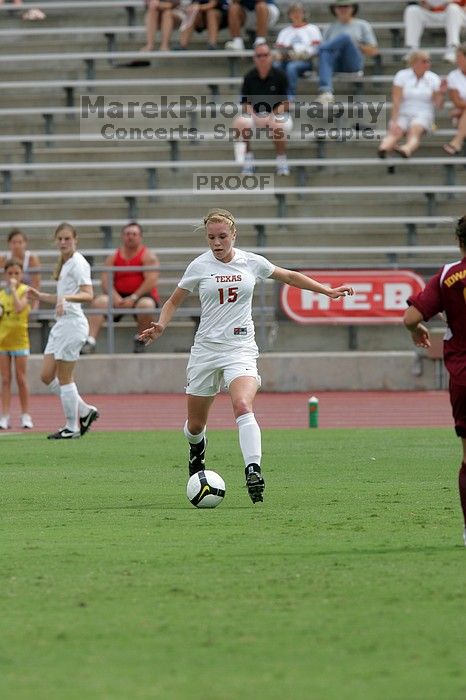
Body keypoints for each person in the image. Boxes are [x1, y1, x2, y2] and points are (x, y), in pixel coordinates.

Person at [138, 208, 354, 504]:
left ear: (234, 234)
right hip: (205, 351)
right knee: (195, 426)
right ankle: (196, 448)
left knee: (242, 403)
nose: (216, 243)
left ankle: (253, 470)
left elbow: (289, 276)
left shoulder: (251, 262)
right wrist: (161, 324)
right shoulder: (199, 266)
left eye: (222, 236)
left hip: (240, 349)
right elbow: (174, 300)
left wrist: (326, 291)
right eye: (211, 237)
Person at [403, 215, 466, 546]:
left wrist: (417, 329)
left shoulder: (447, 276)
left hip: (462, 374)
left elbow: (410, 316)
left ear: (459, 241)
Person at [27, 223, 99, 440]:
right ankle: (85, 410)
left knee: (64, 377)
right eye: (60, 239)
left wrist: (65, 299)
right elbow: (61, 297)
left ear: (75, 239)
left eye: (67, 238)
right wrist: (39, 296)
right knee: (46, 375)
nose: (63, 242)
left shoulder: (78, 263)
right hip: (62, 324)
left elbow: (89, 294)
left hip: (73, 325)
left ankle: (72, 426)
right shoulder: (66, 263)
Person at [81, 222, 160, 354]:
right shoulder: (113, 257)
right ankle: (90, 341)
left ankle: (140, 340)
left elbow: (151, 280)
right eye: (127, 234)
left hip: (141, 295)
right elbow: (105, 280)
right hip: (118, 295)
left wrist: (133, 297)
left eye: (134, 234)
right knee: (100, 302)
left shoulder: (148, 256)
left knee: (146, 305)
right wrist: (115, 297)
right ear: (122, 236)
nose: (130, 237)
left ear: (140, 237)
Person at [231, 43, 292, 176]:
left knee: (276, 124)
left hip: (278, 114)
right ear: (254, 58)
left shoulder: (280, 75)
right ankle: (248, 160)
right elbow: (245, 103)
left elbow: (287, 103)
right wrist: (255, 116)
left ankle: (281, 159)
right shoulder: (249, 77)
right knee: (240, 123)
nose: (262, 58)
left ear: (270, 56)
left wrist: (270, 116)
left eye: (265, 55)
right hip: (256, 114)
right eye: (259, 55)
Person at [378, 50, 443, 159]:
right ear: (414, 62)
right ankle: (384, 148)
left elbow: (438, 105)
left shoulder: (434, 78)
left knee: (414, 131)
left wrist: (440, 93)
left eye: (429, 61)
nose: (428, 63)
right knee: (395, 131)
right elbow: (396, 100)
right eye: (424, 61)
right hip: (403, 112)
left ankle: (406, 149)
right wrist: (394, 121)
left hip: (423, 113)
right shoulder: (402, 75)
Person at [317, 1, 379, 104]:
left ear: (353, 8)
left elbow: (373, 51)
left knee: (344, 38)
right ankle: (326, 91)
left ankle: (310, 51)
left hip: (353, 63)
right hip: (335, 63)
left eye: (346, 6)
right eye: (340, 7)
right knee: (325, 51)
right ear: (335, 9)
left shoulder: (362, 25)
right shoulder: (329, 28)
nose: (343, 9)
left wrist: (355, 44)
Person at [0, 259, 33, 430]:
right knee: (5, 380)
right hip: (3, 342)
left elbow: (20, 308)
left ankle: (25, 415)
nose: (13, 276)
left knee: (21, 378)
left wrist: (13, 289)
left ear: (21, 275)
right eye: (10, 273)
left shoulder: (24, 291)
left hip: (20, 341)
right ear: (5, 274)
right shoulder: (0, 294)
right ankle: (4, 415)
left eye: (16, 273)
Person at [273, 2, 322, 102]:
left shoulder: (312, 29)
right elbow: (278, 50)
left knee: (292, 67)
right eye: (293, 12)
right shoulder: (285, 31)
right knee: (275, 65)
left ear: (304, 14)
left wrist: (297, 53)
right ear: (289, 15)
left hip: (305, 62)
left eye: (299, 12)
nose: (296, 15)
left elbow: (316, 49)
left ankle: (289, 96)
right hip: (285, 59)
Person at [403, 1, 466, 65]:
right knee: (412, 9)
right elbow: (424, 5)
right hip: (433, 13)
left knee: (453, 8)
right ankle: (412, 51)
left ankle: (452, 50)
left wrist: (449, 3)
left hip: (456, 15)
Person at [0, 228, 41, 309]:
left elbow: (36, 284)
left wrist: (34, 306)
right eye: (14, 242)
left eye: (20, 242)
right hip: (8, 296)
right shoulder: (3, 259)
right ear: (9, 243)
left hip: (26, 297)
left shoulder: (31, 259)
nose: (17, 246)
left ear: (25, 243)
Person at [443, 43, 466, 154]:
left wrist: (462, 108)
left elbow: (460, 103)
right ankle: (457, 143)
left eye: (459, 57)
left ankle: (456, 142)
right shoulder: (453, 75)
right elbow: (456, 102)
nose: (456, 60)